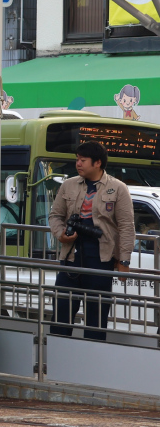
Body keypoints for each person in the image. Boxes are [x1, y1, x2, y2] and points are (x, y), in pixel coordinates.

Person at [49, 141, 135, 340]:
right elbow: (55, 216)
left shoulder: (118, 188)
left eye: (83, 160)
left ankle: (93, 358)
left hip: (100, 257)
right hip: (70, 255)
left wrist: (124, 261)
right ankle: (57, 356)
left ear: (97, 163)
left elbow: (126, 226)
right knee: (62, 309)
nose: (78, 164)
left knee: (96, 315)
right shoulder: (68, 185)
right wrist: (60, 233)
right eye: (77, 160)